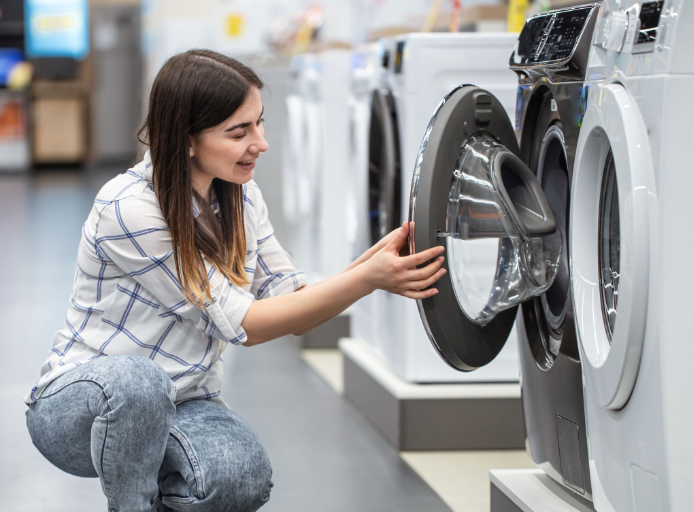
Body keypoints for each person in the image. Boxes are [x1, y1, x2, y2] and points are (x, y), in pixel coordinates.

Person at [23, 49, 446, 512]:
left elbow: (294, 309)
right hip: (83, 406)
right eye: (239, 132)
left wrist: (369, 268)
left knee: (239, 477)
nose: (261, 143)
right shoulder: (130, 208)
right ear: (186, 139)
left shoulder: (242, 198)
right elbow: (247, 324)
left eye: (259, 123)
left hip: (184, 398)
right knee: (139, 383)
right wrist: (366, 280)